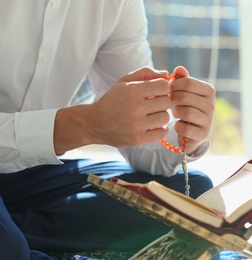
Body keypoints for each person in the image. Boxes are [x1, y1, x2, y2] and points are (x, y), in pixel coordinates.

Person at [0, 1, 216, 259]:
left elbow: (145, 151)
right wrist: (84, 125)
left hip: (33, 173)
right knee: (10, 247)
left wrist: (188, 135)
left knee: (190, 202)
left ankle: (14, 232)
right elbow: (90, 124)